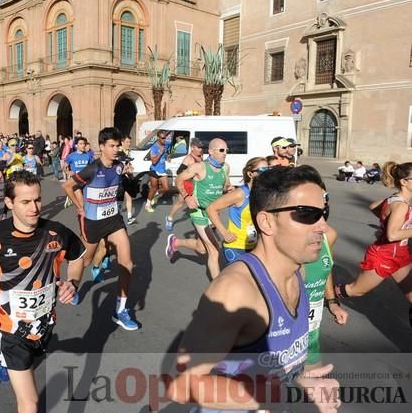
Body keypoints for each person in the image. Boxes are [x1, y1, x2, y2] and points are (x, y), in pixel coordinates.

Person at [167, 165, 340, 413]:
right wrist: (290, 394)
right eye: (306, 214)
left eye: (324, 213)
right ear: (266, 222)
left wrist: (300, 381)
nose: (322, 226)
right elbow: (182, 386)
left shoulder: (298, 272)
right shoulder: (235, 291)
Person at [0, 171, 84, 413]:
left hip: (44, 323)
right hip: (8, 327)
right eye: (25, 202)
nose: (34, 208)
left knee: (32, 361)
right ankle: (7, 359)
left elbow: (78, 256)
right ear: (9, 203)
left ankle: (5, 363)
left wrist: (73, 281)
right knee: (30, 403)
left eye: (37, 199)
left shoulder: (56, 232)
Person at [63, 127, 139, 330]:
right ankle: (73, 287)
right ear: (102, 147)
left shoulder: (120, 166)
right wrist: (79, 207)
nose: (116, 149)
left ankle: (120, 310)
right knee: (85, 260)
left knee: (127, 264)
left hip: (114, 220)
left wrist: (129, 178)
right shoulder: (92, 169)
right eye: (111, 146)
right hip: (93, 223)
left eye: (117, 145)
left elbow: (124, 187)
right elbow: (68, 186)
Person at [335, 162, 412, 325]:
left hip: (400, 255)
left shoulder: (395, 199)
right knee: (354, 291)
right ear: (404, 182)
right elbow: (392, 235)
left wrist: (385, 220)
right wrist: (388, 225)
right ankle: (328, 295)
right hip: (384, 256)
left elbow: (373, 206)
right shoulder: (401, 205)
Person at [166, 138, 231, 279]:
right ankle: (218, 287)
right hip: (199, 212)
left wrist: (229, 189)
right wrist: (187, 197)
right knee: (214, 251)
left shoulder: (225, 168)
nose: (225, 153)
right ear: (211, 151)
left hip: (213, 214)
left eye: (226, 150)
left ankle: (176, 242)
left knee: (201, 249)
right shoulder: (199, 167)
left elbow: (225, 186)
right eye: (221, 150)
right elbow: (179, 179)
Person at [206, 157, 267, 265]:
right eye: (262, 170)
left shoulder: (262, 193)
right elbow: (211, 209)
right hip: (236, 247)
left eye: (268, 170)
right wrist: (224, 233)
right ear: (250, 174)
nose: (266, 173)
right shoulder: (240, 194)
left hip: (255, 246)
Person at [303, 225, 349, 368]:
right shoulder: (278, 238)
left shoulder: (329, 234)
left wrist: (332, 301)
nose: (323, 222)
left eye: (323, 211)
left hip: (311, 337)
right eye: (314, 212)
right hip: (282, 339)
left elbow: (326, 267)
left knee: (316, 385)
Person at [165, 138, 204, 231]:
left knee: (201, 201)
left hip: (197, 184)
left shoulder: (201, 156)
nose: (200, 149)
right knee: (180, 203)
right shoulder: (188, 159)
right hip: (187, 184)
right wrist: (190, 173)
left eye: (201, 147)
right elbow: (179, 172)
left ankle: (203, 221)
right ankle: (169, 218)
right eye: (198, 147)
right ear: (192, 147)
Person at [145, 130, 171, 213]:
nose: (164, 140)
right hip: (154, 170)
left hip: (162, 170)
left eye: (165, 138)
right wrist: (160, 153)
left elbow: (166, 154)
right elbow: (154, 161)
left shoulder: (166, 145)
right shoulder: (154, 147)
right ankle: (148, 204)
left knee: (166, 188)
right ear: (158, 138)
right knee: (154, 188)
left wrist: (167, 157)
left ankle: (154, 195)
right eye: (162, 138)